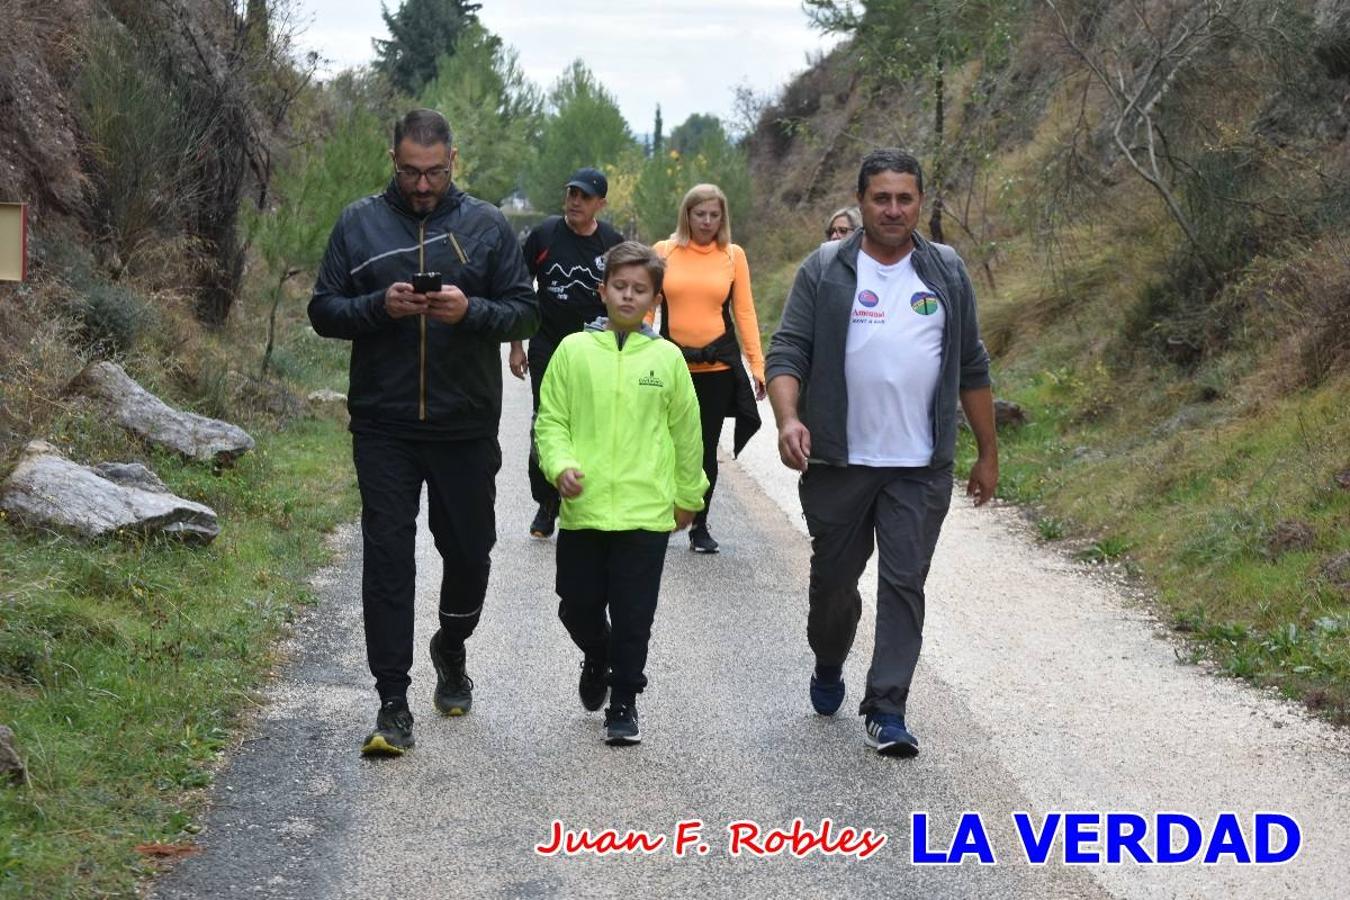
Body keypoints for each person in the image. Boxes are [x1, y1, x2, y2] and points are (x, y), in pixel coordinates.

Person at [308, 108, 538, 757]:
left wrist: (470, 312)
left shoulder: (488, 226)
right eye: (410, 172)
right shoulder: (358, 222)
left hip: (464, 423)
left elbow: (526, 308)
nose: (421, 185)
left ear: (452, 162)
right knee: (386, 557)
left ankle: (452, 647)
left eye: (433, 172)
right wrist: (379, 307)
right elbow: (324, 311)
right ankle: (392, 702)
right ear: (393, 160)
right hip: (383, 424)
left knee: (469, 551)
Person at [765, 148, 999, 758]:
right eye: (881, 198)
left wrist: (987, 453)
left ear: (920, 202)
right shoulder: (826, 269)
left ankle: (887, 707)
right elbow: (788, 352)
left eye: (905, 198)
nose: (893, 209)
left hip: (920, 467)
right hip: (839, 463)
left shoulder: (945, 271)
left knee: (904, 583)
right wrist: (789, 420)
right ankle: (828, 658)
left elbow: (972, 366)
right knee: (834, 588)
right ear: (862, 201)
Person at [534, 241, 707, 745]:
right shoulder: (573, 351)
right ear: (602, 290)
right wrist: (561, 466)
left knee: (635, 615)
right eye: (620, 287)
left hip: (645, 513)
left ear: (654, 299)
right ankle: (598, 653)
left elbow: (686, 434)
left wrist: (687, 497)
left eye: (640, 290)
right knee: (575, 605)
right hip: (585, 510)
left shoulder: (667, 359)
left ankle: (625, 702)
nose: (628, 297)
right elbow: (552, 422)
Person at [507, 168, 624, 540]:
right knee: (546, 422)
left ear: (600, 204)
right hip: (548, 346)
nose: (575, 201)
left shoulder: (612, 242)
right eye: (572, 193)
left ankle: (581, 498)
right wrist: (516, 344)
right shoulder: (544, 235)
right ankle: (546, 503)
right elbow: (520, 287)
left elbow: (626, 296)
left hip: (596, 350)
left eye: (585, 196)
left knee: (590, 424)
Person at [652, 184, 765, 554]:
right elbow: (648, 306)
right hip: (672, 366)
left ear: (723, 217)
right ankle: (661, 514)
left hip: (716, 368)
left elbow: (744, 312)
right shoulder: (664, 252)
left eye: (714, 215)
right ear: (686, 215)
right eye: (700, 214)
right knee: (665, 444)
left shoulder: (733, 256)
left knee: (703, 449)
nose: (707, 221)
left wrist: (757, 365)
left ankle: (700, 524)